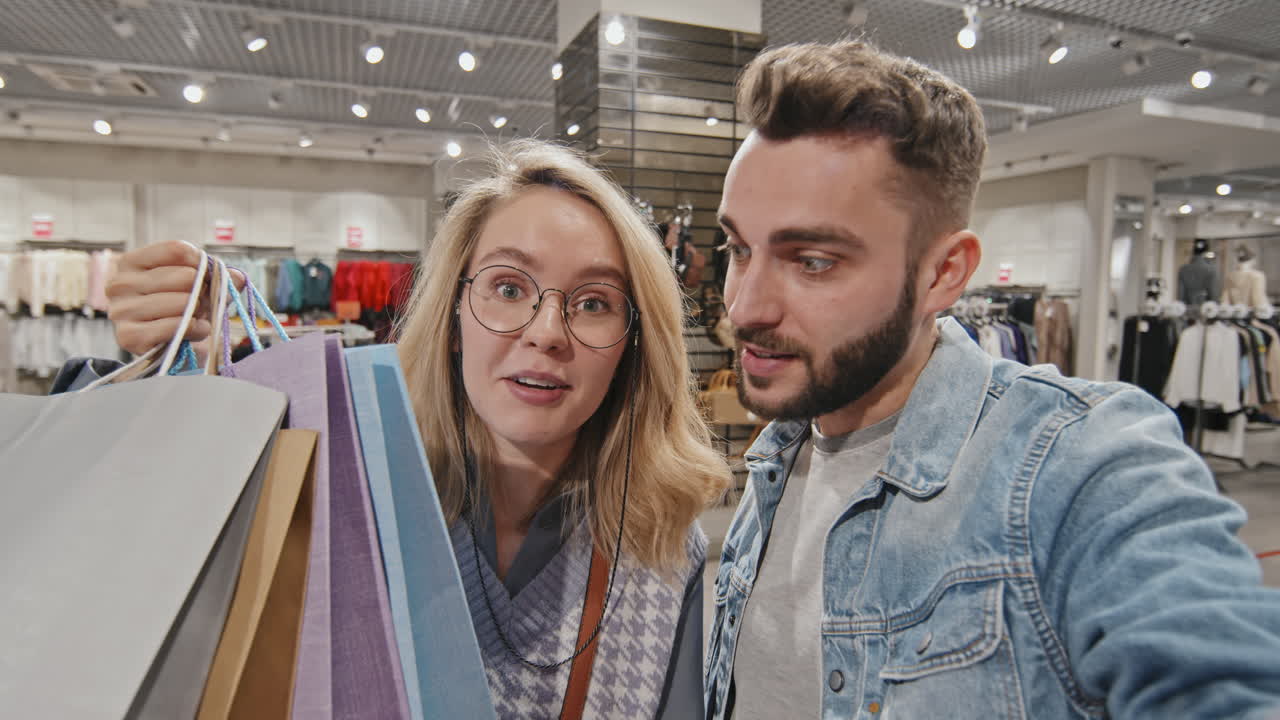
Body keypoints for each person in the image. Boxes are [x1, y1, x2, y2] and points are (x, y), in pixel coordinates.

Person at [703, 40, 1280, 719]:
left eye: (815, 261)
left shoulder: (1082, 467)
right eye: (739, 249)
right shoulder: (782, 449)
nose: (744, 306)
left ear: (943, 274)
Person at [103, 140, 731, 718]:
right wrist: (174, 372)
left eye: (594, 302)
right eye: (508, 287)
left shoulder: (661, 549)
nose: (545, 332)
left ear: (634, 344)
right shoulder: (351, 494)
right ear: (455, 317)